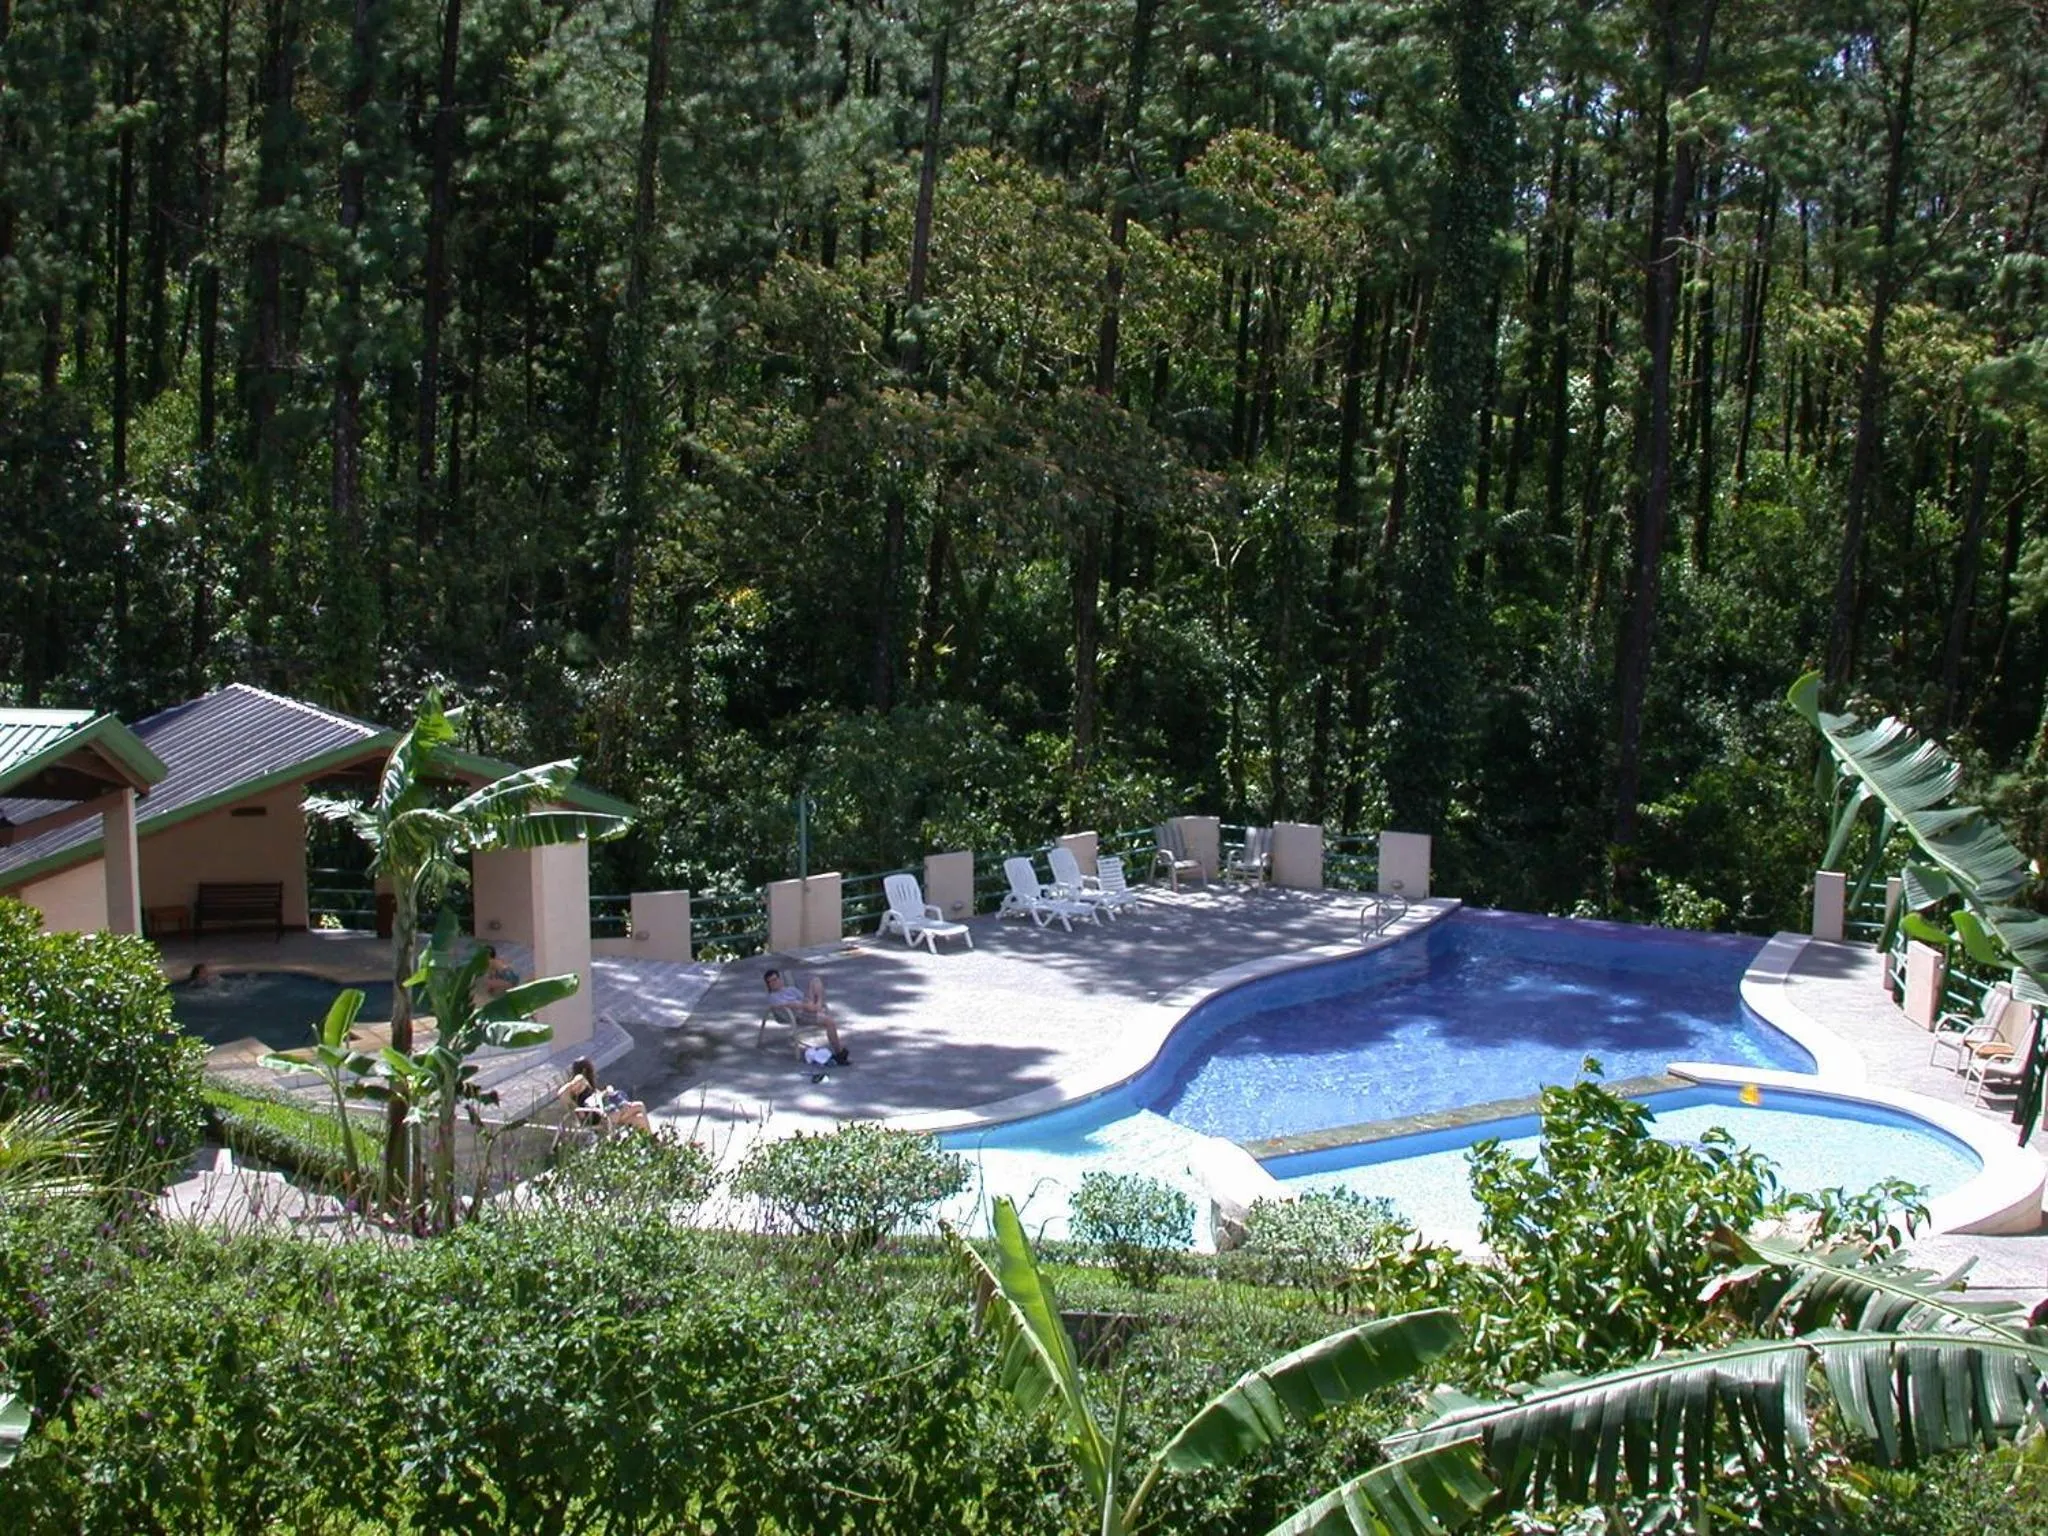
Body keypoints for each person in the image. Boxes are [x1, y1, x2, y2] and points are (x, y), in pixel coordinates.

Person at [763, 967, 850, 1064]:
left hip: (805, 1008)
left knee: (815, 980)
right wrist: (804, 1005)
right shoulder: (773, 997)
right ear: (768, 985)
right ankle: (839, 1052)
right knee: (829, 1021)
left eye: (775, 980)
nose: (773, 983)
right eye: (770, 982)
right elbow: (787, 1006)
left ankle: (818, 1005)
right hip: (796, 1015)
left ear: (780, 979)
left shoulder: (791, 989)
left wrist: (809, 1004)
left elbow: (804, 998)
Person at [559, 1055, 651, 1134]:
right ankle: (655, 1142)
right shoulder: (580, 1086)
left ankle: (653, 1146)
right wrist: (573, 1083)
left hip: (609, 1113)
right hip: (600, 1118)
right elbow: (561, 1093)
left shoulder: (590, 1089)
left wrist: (607, 1091)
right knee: (639, 1105)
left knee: (639, 1118)